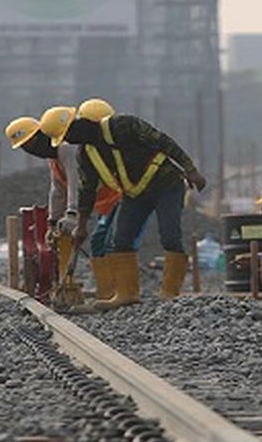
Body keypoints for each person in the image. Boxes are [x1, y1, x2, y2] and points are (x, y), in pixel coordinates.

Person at [41, 107, 206, 309]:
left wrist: (190, 169)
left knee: (169, 235)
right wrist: (81, 225)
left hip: (166, 185)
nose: (68, 141)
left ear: (78, 125)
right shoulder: (86, 154)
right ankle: (127, 293)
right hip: (135, 194)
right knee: (121, 240)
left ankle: (170, 293)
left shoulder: (124, 125)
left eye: (67, 135)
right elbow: (87, 190)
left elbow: (164, 142)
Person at [5, 98, 123, 299]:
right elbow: (58, 189)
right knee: (99, 241)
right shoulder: (53, 157)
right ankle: (104, 291)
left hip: (115, 195)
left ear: (41, 135)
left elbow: (77, 182)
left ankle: (117, 291)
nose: (31, 149)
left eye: (31, 143)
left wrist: (72, 215)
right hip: (99, 202)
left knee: (113, 241)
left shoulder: (67, 149)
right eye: (25, 147)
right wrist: (53, 221)